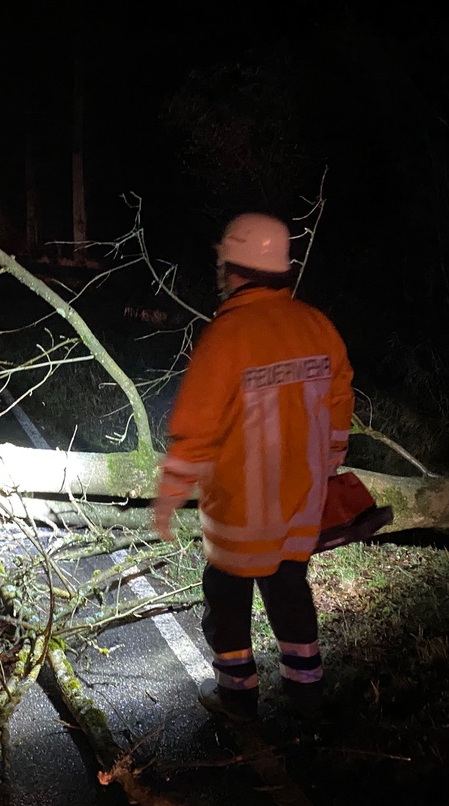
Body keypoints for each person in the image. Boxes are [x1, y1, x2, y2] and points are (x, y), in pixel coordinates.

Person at [151, 213, 355, 723]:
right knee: (290, 590)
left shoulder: (227, 335)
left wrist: (169, 495)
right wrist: (328, 465)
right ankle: (307, 694)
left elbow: (197, 427)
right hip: (299, 507)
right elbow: (338, 403)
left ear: (235, 268)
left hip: (242, 510)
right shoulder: (315, 324)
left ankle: (238, 700)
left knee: (227, 599)